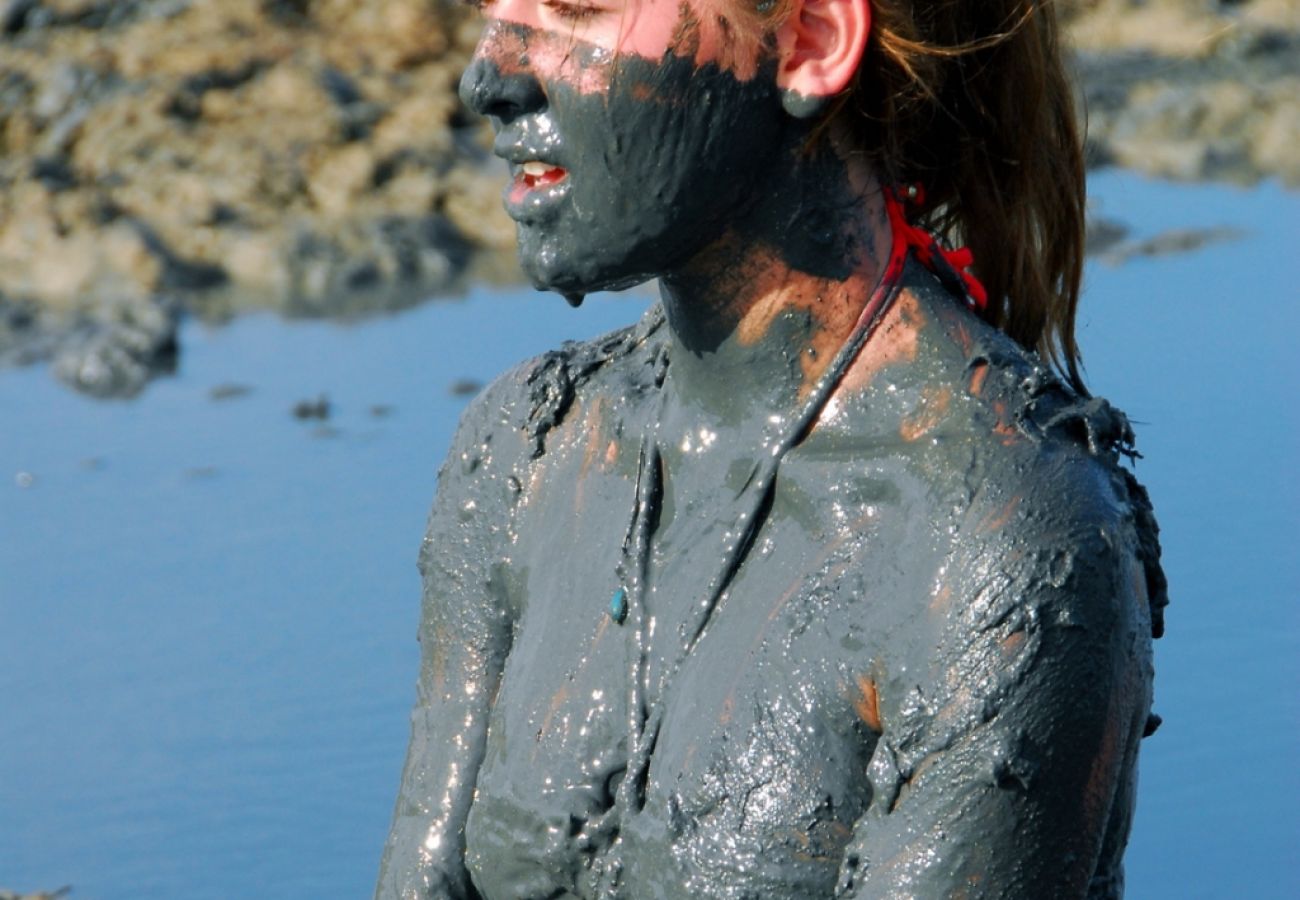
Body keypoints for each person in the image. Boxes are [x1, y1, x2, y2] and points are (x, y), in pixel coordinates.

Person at [375, 0, 1167, 896]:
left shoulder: (998, 540)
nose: (490, 75)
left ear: (811, 42)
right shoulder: (528, 449)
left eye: (577, 8)